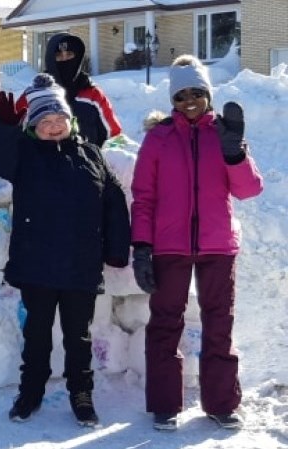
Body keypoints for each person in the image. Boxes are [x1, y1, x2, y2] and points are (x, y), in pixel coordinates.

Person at [0, 73, 130, 427]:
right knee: (36, 334)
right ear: (34, 126)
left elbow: (114, 203)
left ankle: (81, 395)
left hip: (80, 264)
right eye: (45, 121)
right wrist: (6, 129)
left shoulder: (91, 155)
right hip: (36, 262)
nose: (53, 127)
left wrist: (116, 248)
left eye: (59, 120)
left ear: (71, 121)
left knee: (78, 337)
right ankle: (30, 391)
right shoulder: (25, 154)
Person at [130, 55, 263, 432]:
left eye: (196, 93)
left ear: (208, 94)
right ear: (171, 99)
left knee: (219, 324)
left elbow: (249, 190)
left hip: (217, 245)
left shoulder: (222, 133)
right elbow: (143, 197)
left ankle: (221, 404)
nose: (189, 101)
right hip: (169, 246)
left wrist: (235, 153)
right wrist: (141, 246)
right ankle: (164, 405)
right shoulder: (158, 138)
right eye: (180, 96)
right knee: (165, 323)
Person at [15, 33, 122, 147]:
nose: (64, 59)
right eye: (59, 55)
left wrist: (105, 159)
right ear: (51, 58)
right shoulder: (34, 95)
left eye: (69, 54)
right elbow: (15, 135)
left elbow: (114, 135)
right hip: (41, 162)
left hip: (85, 161)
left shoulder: (92, 94)